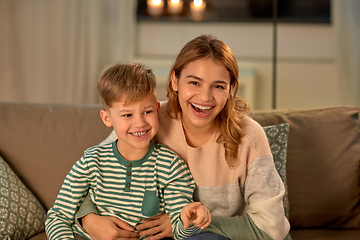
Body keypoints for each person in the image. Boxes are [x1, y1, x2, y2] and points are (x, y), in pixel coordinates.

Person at [78, 35, 291, 240]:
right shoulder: (144, 122)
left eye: (218, 86)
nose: (205, 97)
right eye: (194, 82)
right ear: (174, 81)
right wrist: (88, 219)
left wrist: (184, 224)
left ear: (231, 89)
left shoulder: (249, 137)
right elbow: (90, 175)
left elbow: (272, 228)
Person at [45, 62, 211, 240]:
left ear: (157, 109)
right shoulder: (91, 161)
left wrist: (191, 221)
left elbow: (179, 230)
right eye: (127, 115)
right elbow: (57, 217)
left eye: (147, 112)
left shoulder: (171, 166)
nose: (140, 123)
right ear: (107, 118)